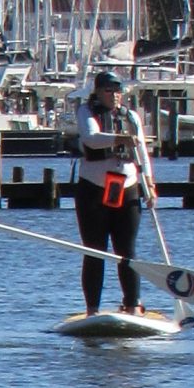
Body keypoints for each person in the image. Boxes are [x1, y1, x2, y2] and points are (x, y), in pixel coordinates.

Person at [72, 70, 151, 315]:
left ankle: (132, 304)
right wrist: (120, 139)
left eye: (118, 91)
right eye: (109, 90)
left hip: (126, 188)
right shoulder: (87, 112)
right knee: (95, 250)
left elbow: (142, 153)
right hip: (94, 189)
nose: (115, 96)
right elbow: (92, 138)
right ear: (97, 92)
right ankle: (92, 309)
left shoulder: (131, 117)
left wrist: (149, 184)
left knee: (127, 250)